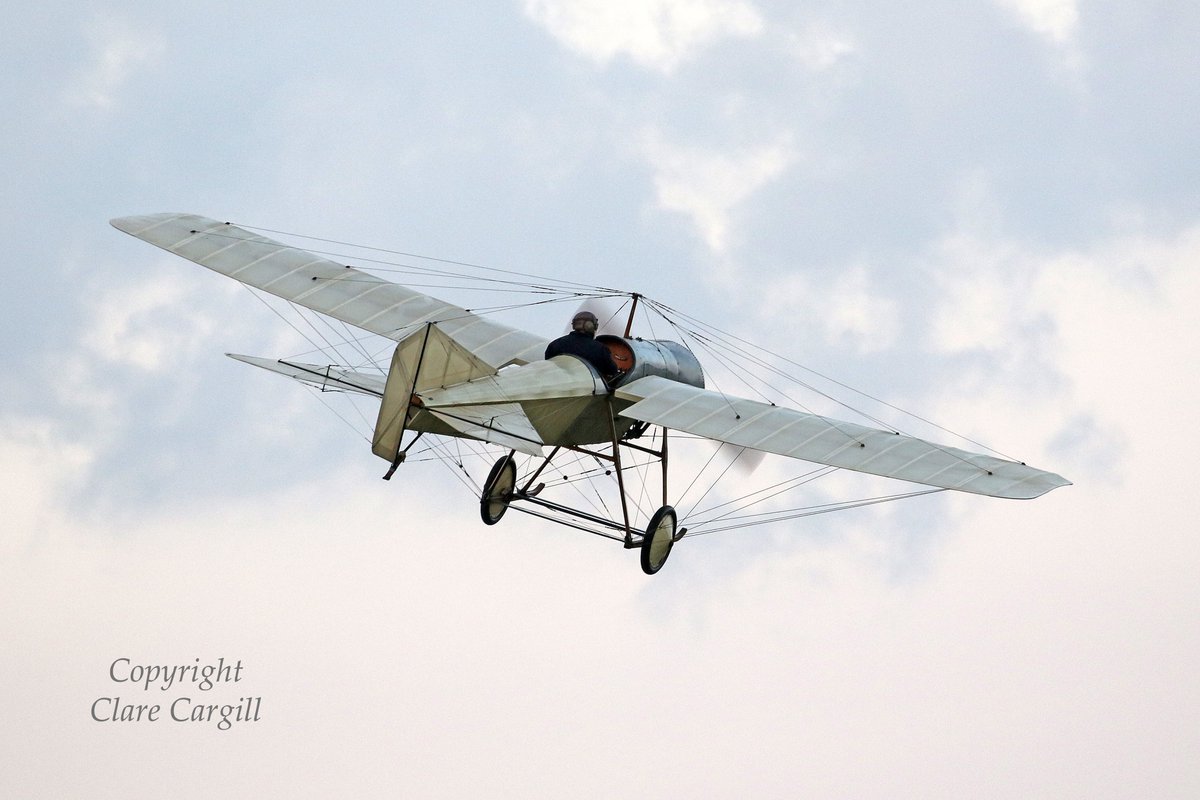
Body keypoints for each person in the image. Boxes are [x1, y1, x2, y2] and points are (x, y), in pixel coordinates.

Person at [545, 310, 620, 381]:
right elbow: (612, 371)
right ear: (590, 326)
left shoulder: (555, 344)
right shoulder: (600, 349)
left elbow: (548, 362)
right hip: (587, 389)